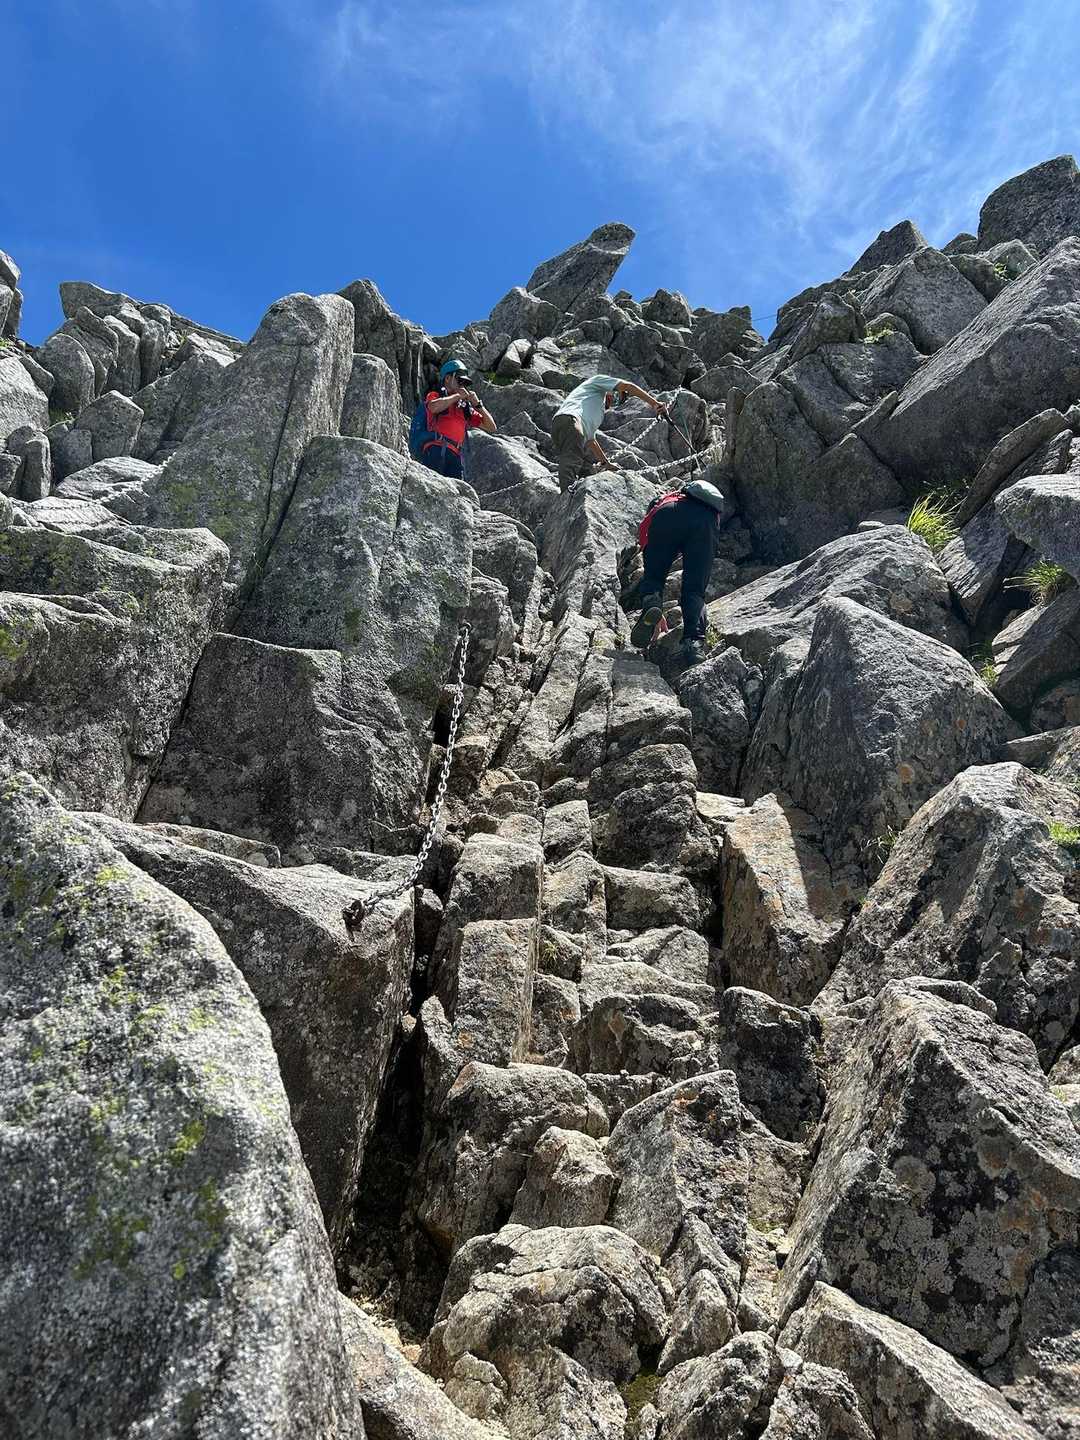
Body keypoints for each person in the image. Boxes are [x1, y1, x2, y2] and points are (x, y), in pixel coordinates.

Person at [631, 481, 725, 664]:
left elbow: (644, 537)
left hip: (667, 516)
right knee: (694, 590)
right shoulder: (711, 512)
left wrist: (653, 596)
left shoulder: (664, 502)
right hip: (704, 524)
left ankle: (652, 601)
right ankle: (694, 644)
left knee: (654, 577)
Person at [551, 375, 668, 491]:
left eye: (622, 399)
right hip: (571, 420)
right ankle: (566, 495)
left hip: (563, 426)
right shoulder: (597, 381)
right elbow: (628, 386)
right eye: (620, 393)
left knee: (581, 465)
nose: (616, 399)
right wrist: (655, 404)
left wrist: (606, 463)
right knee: (571, 461)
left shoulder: (596, 409)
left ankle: (571, 492)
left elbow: (591, 440)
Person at [420, 359, 496, 478]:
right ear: (447, 378)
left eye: (464, 383)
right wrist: (457, 396)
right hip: (435, 448)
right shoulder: (436, 395)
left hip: (455, 455)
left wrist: (478, 405)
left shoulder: (464, 408)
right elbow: (433, 407)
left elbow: (491, 427)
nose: (462, 385)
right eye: (459, 381)